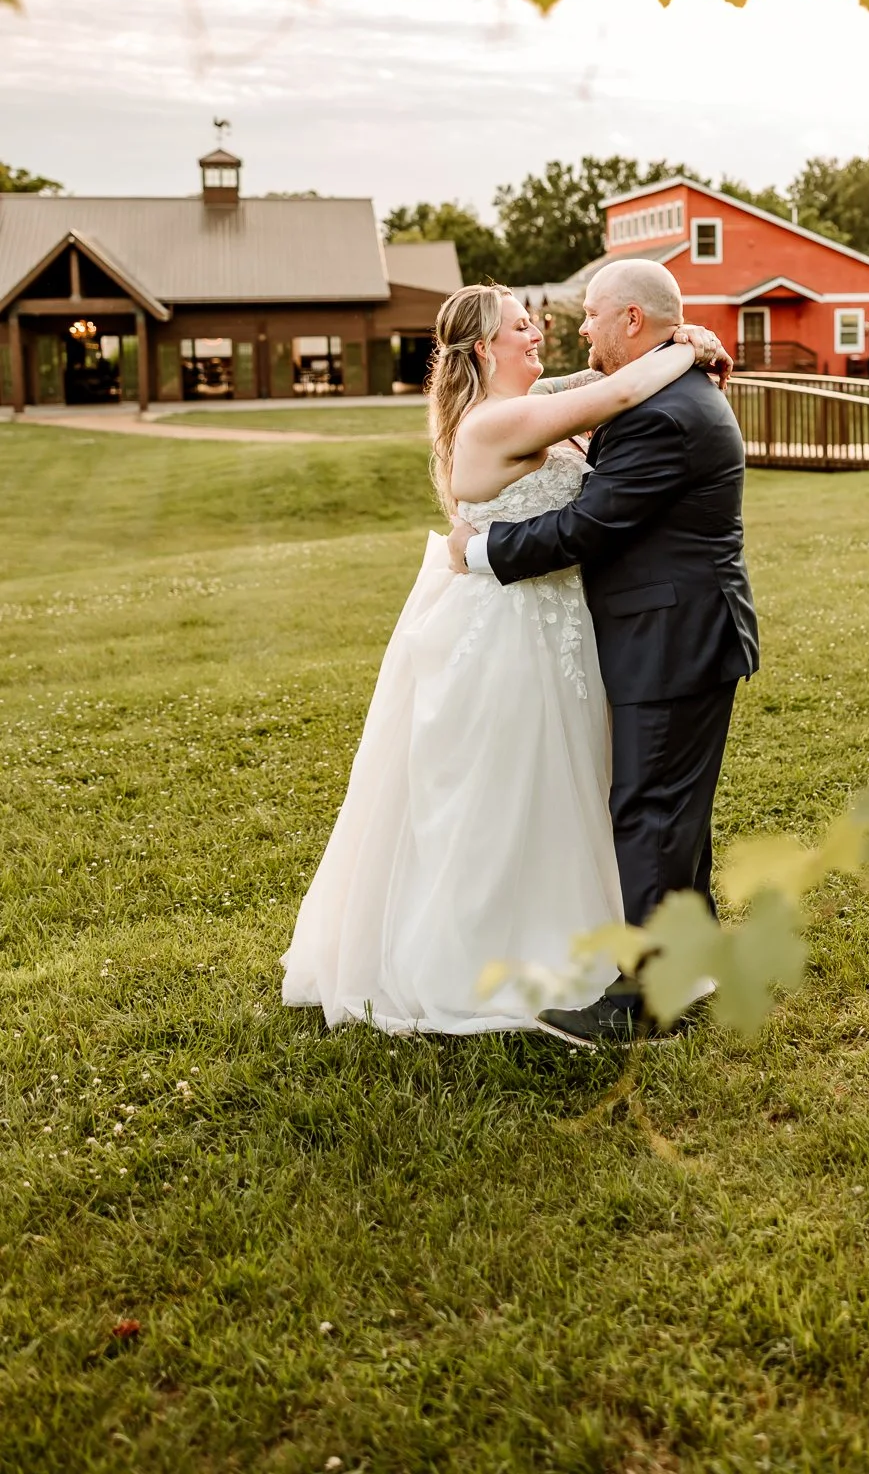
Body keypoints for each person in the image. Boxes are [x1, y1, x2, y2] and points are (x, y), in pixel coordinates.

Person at [281, 280, 731, 1037]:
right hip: (505, 631)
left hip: (558, 623)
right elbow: (618, 390)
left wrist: (688, 339)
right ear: (485, 346)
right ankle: (488, 956)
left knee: (571, 788)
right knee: (504, 794)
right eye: (522, 325)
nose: (540, 332)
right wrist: (683, 342)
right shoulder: (499, 421)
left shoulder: (532, 400)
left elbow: (596, 377)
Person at [447, 258, 759, 1045]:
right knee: (671, 809)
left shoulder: (662, 410)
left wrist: (482, 551)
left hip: (672, 634)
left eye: (589, 314)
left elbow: (590, 526)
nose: (574, 328)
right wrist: (688, 345)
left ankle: (650, 997)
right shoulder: (668, 391)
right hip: (675, 629)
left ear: (628, 321)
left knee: (651, 808)